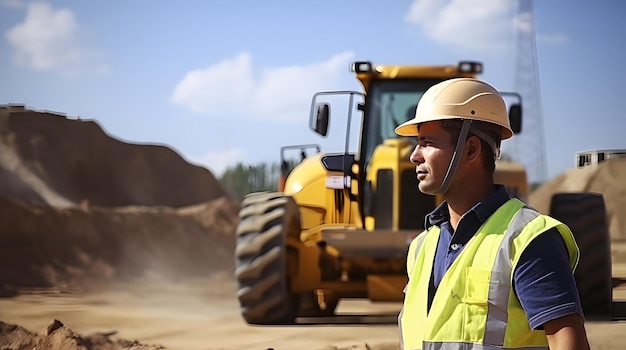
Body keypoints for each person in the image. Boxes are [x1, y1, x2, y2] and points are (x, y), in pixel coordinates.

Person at [394, 78, 589, 349]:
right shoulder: (422, 247)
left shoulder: (529, 240)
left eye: (427, 143)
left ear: (471, 149)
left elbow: (567, 342)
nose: (415, 155)